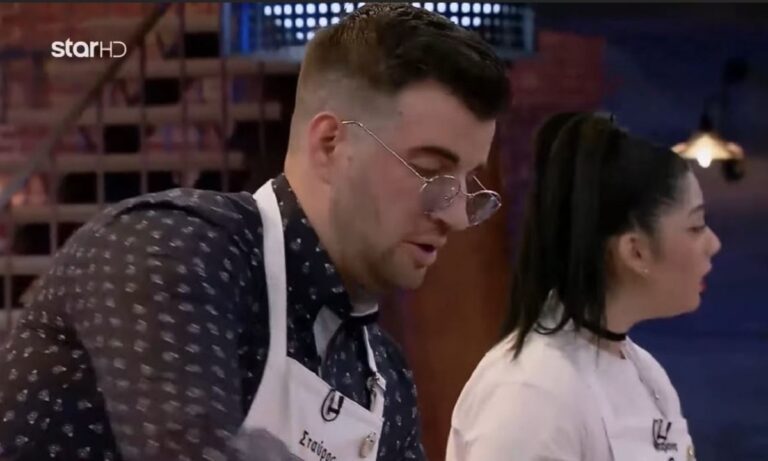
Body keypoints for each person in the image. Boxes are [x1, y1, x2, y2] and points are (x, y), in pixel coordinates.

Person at [0, 4, 510, 461]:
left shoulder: (385, 377)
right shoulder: (168, 251)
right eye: (431, 173)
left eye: (468, 186)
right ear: (330, 145)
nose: (455, 217)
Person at [446, 112, 721, 461]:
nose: (713, 244)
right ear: (635, 251)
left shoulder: (647, 374)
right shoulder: (532, 391)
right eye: (696, 227)